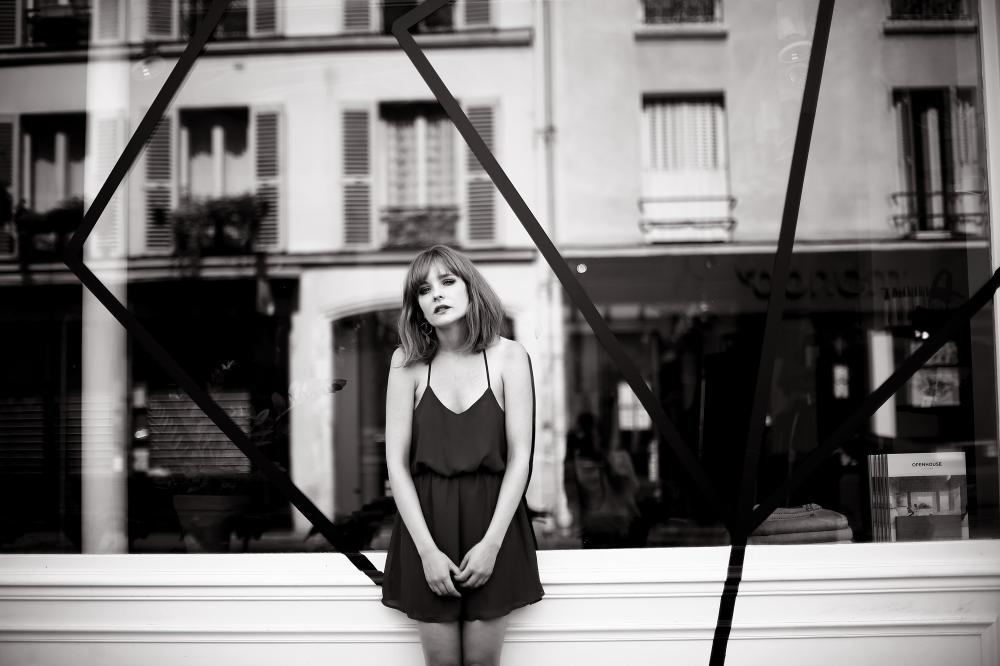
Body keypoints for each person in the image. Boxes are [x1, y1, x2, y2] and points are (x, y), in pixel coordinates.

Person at [381, 244, 544, 666]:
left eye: (447, 281)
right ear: (417, 306)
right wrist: (427, 552)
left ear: (471, 289)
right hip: (426, 526)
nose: (436, 293)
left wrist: (492, 544)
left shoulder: (510, 357)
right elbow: (396, 465)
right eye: (423, 289)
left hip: (493, 523)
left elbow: (521, 459)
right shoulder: (406, 363)